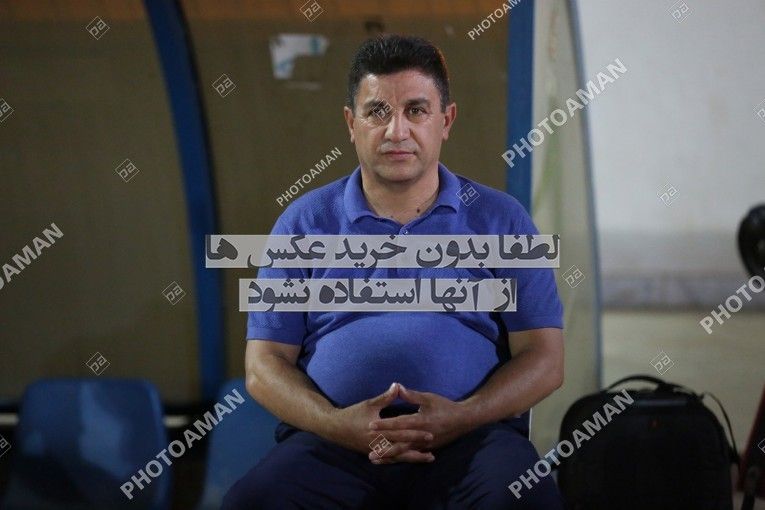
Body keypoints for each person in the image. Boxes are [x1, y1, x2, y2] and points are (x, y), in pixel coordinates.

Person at [223, 34, 565, 509]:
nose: (396, 131)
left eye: (416, 111)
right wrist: (336, 424)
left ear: (446, 121)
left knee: (525, 498)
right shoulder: (302, 223)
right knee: (254, 501)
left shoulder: (502, 220)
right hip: (332, 446)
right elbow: (263, 367)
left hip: (473, 443)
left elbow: (545, 359)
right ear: (351, 123)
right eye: (377, 112)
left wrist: (464, 416)